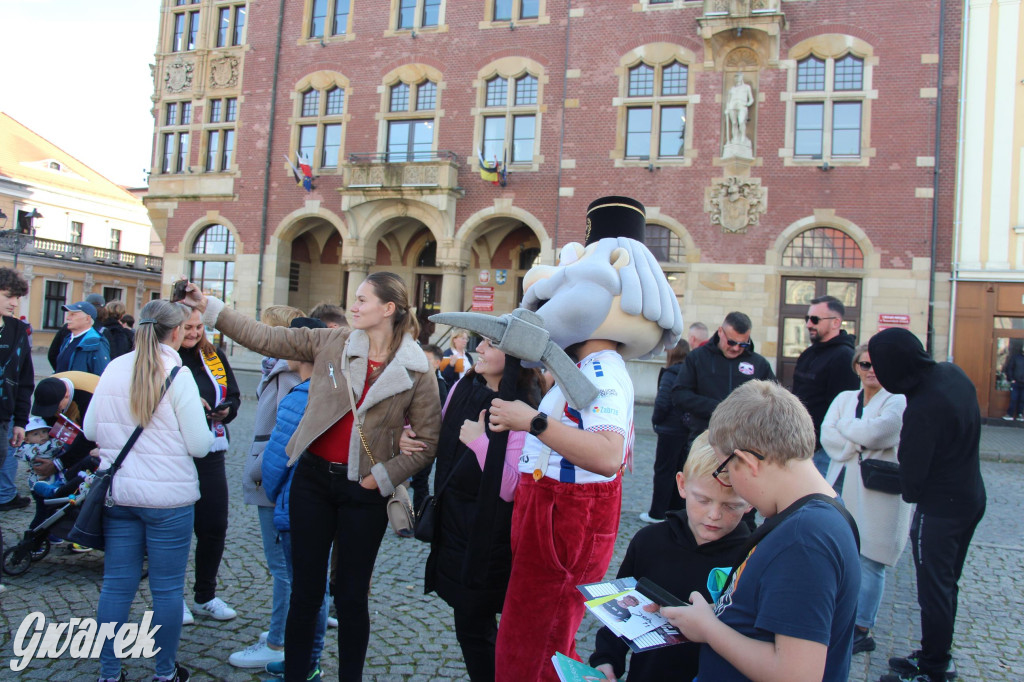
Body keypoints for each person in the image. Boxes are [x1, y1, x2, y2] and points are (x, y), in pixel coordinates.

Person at [180, 270, 440, 682]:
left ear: (388, 309)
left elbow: (427, 440)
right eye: (354, 299)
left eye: (362, 299)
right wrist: (209, 307)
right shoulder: (331, 341)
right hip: (313, 482)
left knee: (352, 597)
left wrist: (382, 477)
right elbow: (264, 337)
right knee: (305, 591)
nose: (353, 306)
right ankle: (298, 675)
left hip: (364, 490)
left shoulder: (416, 369)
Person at [486, 195, 682, 682]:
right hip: (548, 508)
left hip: (566, 512)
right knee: (526, 628)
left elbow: (607, 455)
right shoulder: (583, 367)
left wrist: (530, 421)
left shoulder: (603, 369)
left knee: (541, 639)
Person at [662, 380, 860, 682]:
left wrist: (709, 630)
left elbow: (797, 675)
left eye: (725, 472)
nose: (728, 483)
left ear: (747, 462)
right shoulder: (821, 515)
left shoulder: (804, 540)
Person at [84, 299, 214, 682]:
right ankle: (164, 671)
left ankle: (110, 672)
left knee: (116, 586)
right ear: (175, 332)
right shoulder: (177, 373)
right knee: (168, 590)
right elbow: (199, 445)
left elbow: (91, 430)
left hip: (121, 494)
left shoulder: (113, 368)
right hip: (168, 500)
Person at [414, 339, 541, 681]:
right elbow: (440, 434)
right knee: (469, 625)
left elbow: (511, 486)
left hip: (488, 534)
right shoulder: (463, 385)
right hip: (454, 522)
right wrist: (413, 436)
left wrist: (479, 442)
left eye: (491, 344)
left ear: (515, 355)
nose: (478, 348)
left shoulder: (522, 407)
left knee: (475, 626)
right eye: (480, 342)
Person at [869, 328, 986, 682]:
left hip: (941, 509)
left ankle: (935, 667)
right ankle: (935, 653)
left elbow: (912, 481)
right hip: (970, 497)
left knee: (934, 589)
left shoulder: (922, 407)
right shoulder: (951, 372)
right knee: (947, 584)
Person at [591, 432, 752, 682]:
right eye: (703, 500)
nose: (714, 515)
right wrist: (606, 660)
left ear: (750, 500)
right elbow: (620, 611)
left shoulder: (751, 559)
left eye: (731, 506)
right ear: (682, 484)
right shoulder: (649, 542)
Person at [820, 343, 910, 656]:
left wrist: (849, 431)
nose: (870, 370)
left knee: (871, 560)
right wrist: (856, 439)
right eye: (864, 364)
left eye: (876, 364)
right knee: (839, 554)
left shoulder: (898, 400)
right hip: (840, 483)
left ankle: (862, 628)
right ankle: (840, 616)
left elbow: (879, 434)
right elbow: (826, 434)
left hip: (877, 492)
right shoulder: (845, 398)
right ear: (856, 366)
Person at [228, 305, 304, 669]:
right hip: (271, 477)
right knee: (285, 567)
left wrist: (260, 471)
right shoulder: (278, 370)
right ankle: (282, 632)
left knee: (283, 568)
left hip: (273, 481)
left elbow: (284, 436)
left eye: (265, 328)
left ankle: (278, 643)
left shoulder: (287, 376)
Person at [262, 317, 332, 682]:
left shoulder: (301, 395)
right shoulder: (327, 391)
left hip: (295, 506)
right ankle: (304, 660)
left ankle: (304, 663)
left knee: (306, 593)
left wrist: (272, 494)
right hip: (319, 506)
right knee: (312, 590)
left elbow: (275, 462)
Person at [177, 307, 241, 624]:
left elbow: (235, 395)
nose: (194, 333)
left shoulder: (213, 355)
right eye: (187, 327)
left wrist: (226, 410)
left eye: (199, 327)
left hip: (212, 449)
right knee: (176, 529)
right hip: (174, 453)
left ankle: (206, 595)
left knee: (214, 525)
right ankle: (173, 597)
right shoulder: (165, 358)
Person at [670, 312, 776, 452]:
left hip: (745, 444)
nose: (736, 348)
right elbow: (679, 394)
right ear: (720, 332)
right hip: (705, 441)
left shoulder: (759, 364)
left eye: (743, 344)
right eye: (731, 342)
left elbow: (774, 399)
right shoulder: (698, 357)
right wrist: (719, 408)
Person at [792, 295, 859, 478]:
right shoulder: (808, 354)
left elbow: (842, 410)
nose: (808, 324)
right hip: (798, 446)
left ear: (836, 322)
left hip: (823, 452)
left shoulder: (845, 357)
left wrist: (823, 442)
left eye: (815, 319)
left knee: (817, 501)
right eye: (807, 319)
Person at [640, 338, 690, 524]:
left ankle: (657, 513)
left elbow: (662, 402)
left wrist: (656, 420)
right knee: (679, 470)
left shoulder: (671, 374)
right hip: (684, 428)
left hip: (670, 430)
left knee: (664, 471)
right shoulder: (689, 373)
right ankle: (676, 510)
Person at [0, 267, 35, 512]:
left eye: (18, 298)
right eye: (8, 296)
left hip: (3, 419)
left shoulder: (18, 330)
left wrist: (20, 421)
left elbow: (25, 380)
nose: (15, 303)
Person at [410, 343, 450, 511]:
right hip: (411, 436)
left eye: (426, 360)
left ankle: (420, 514)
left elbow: (438, 416)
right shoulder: (414, 381)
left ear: (437, 363)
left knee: (420, 479)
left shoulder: (439, 385)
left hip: (426, 439)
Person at [48, 293, 106, 371]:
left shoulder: (96, 343)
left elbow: (100, 373)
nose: (68, 318)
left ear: (87, 319)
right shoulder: (68, 339)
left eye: (73, 314)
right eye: (69, 314)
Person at [725, 73, 754, 146]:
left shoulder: (746, 87)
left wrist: (747, 104)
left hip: (742, 105)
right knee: (734, 123)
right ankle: (735, 137)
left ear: (741, 78)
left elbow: (751, 99)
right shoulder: (732, 89)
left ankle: (743, 137)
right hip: (732, 106)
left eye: (739, 77)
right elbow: (728, 101)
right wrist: (727, 109)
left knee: (741, 121)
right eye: (736, 77)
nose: (737, 79)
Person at [1000, 341, 1024, 420]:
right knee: (1013, 399)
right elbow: (1009, 368)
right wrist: (1011, 379)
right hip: (1016, 382)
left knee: (1022, 400)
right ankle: (1009, 415)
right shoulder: (1016, 357)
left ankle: (1020, 415)